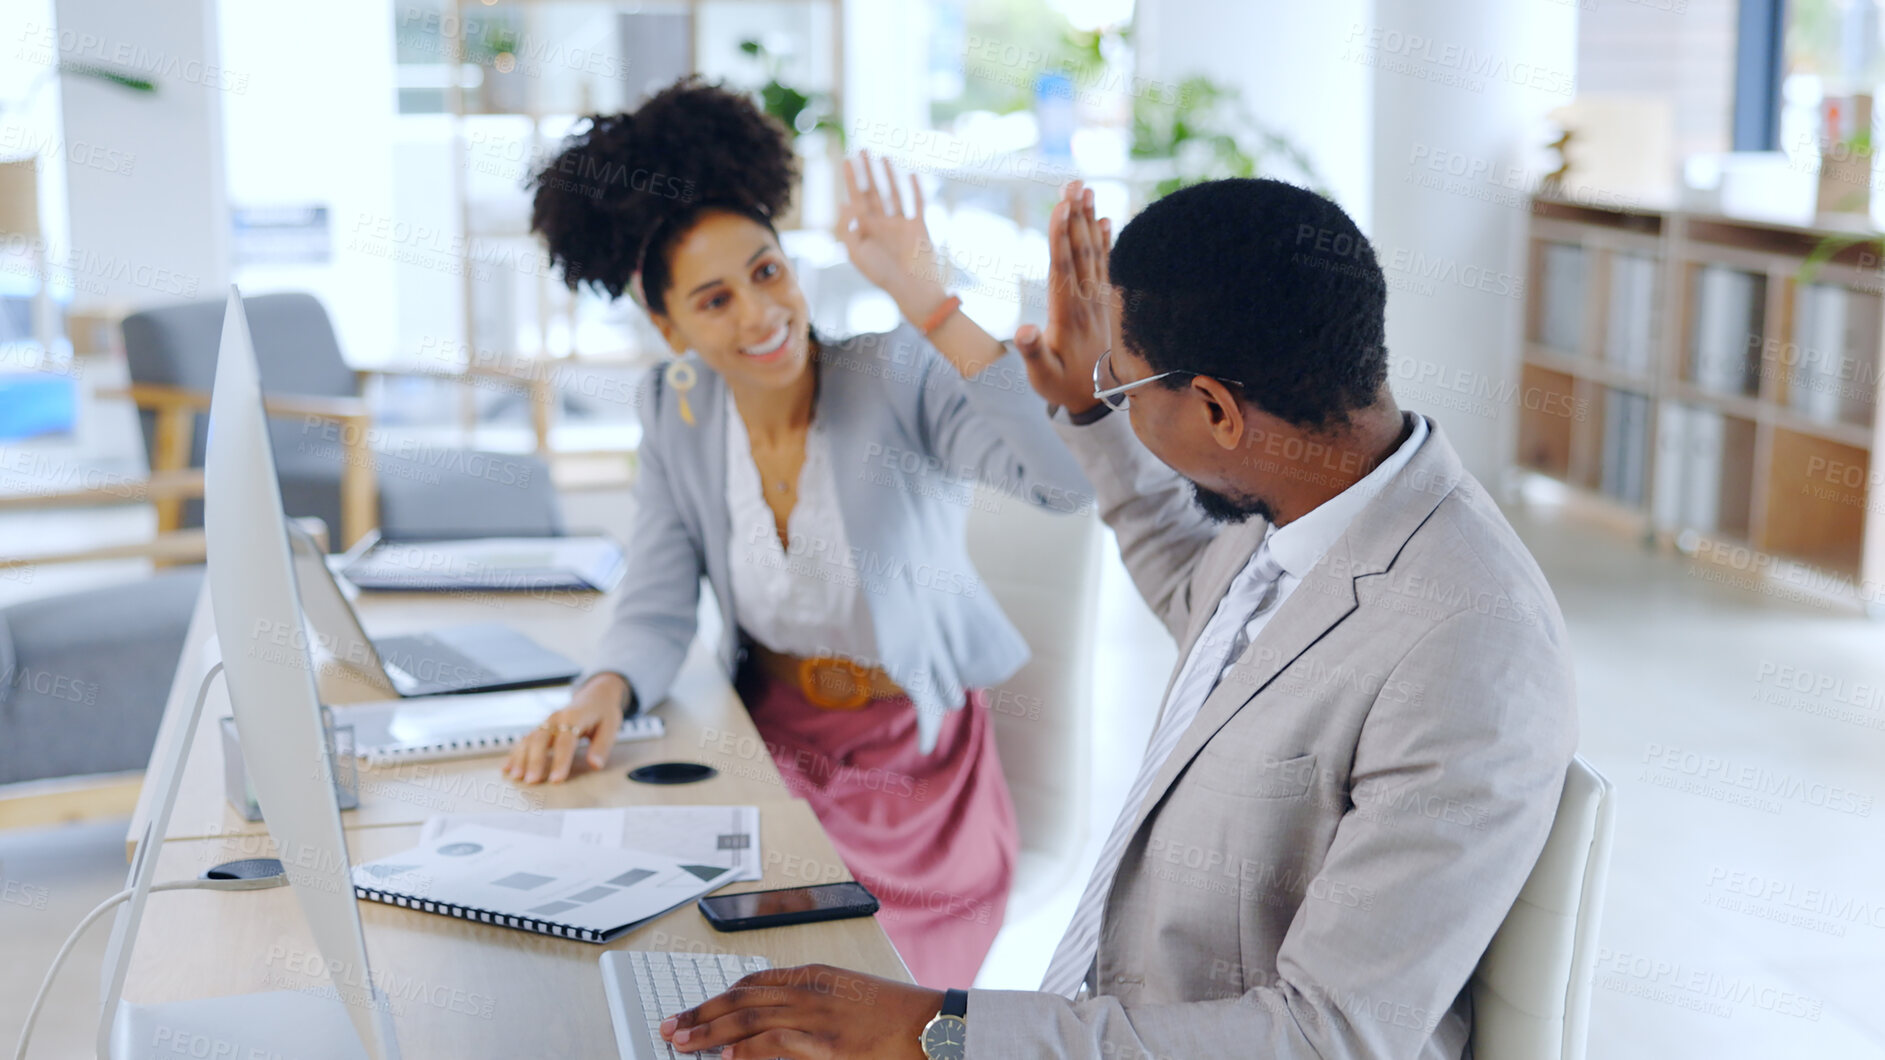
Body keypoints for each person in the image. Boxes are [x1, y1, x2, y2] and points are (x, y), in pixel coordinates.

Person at [655, 178, 1579, 1059]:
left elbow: (1327, 1038)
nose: (1115, 398)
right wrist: (1085, 407)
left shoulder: (1466, 649)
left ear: (1216, 408)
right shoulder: (1311, 503)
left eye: (1127, 385)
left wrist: (937, 1032)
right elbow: (1194, 587)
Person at [499, 79, 1093, 989]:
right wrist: (606, 688)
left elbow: (1063, 485)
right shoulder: (676, 409)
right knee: (669, 948)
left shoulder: (898, 373)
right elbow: (657, 602)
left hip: (914, 779)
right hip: (768, 746)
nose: (759, 315)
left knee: (838, 992)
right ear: (667, 326)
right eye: (713, 299)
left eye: (766, 272)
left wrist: (926, 298)